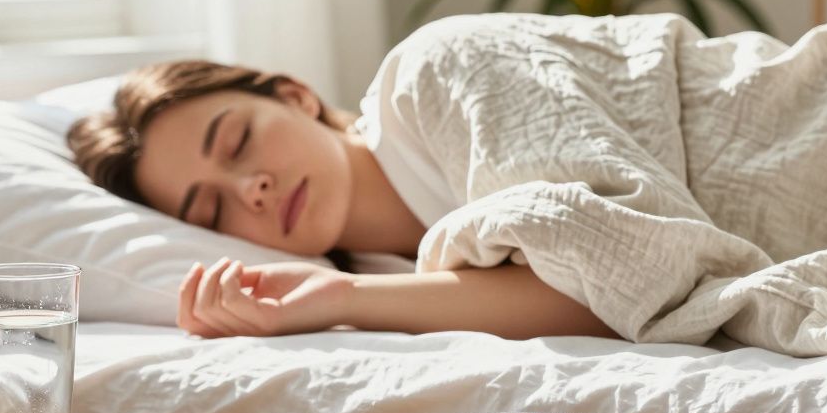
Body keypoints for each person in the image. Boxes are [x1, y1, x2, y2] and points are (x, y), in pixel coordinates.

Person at [67, 59, 615, 341]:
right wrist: (342, 297)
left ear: (295, 95)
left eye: (237, 142)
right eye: (211, 212)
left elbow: (621, 266)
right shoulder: (377, 278)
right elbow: (595, 302)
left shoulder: (435, 79)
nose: (248, 190)